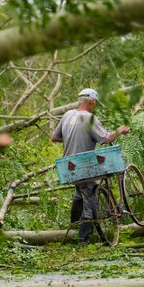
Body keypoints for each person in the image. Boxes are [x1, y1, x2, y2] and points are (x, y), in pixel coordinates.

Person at [51, 88, 130, 244]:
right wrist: (120, 130)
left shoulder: (67, 115)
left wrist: (70, 139)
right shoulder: (89, 118)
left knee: (80, 193)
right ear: (91, 102)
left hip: (69, 166)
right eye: (95, 104)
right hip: (83, 165)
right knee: (90, 200)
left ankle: (73, 227)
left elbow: (54, 137)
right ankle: (83, 240)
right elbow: (106, 139)